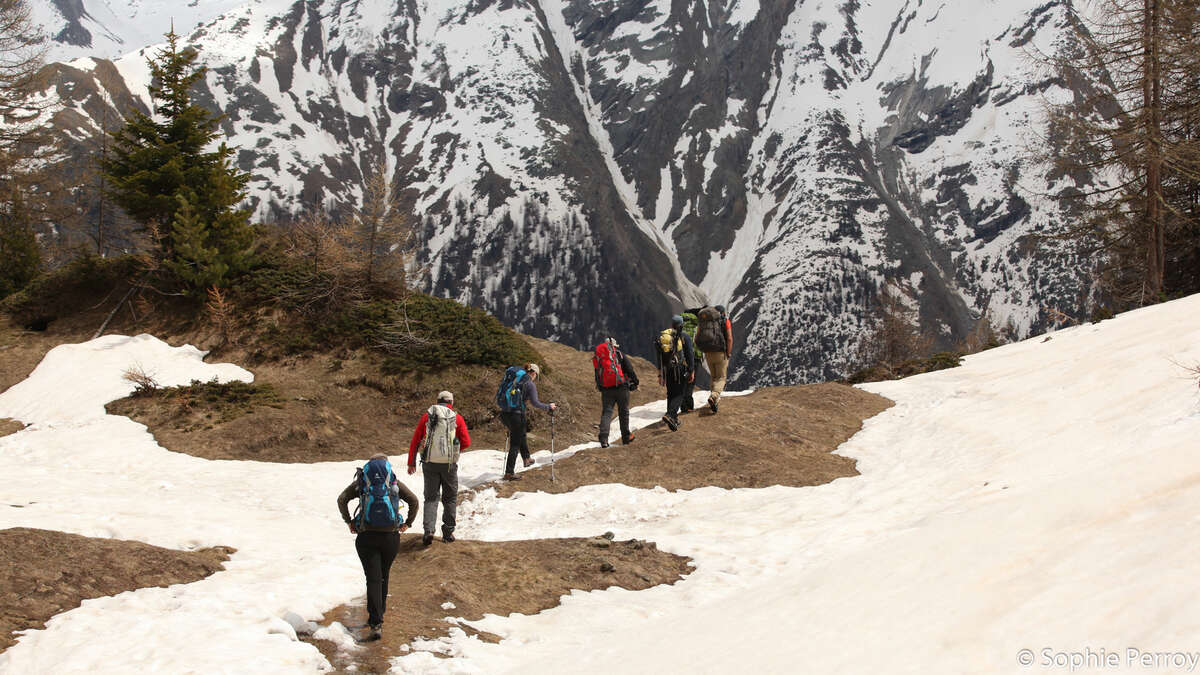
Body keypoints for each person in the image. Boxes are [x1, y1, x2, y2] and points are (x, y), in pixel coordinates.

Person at [336, 454, 419, 641]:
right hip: (390, 537)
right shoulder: (394, 483)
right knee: (384, 575)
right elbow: (414, 501)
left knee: (372, 579)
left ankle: (375, 622)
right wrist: (407, 524)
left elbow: (341, 499)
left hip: (366, 536)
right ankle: (380, 613)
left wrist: (349, 522)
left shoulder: (363, 482)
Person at [406, 391, 471, 546]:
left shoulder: (427, 416)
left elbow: (415, 440)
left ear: (437, 401)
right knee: (450, 498)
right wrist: (453, 451)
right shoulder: (457, 418)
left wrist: (411, 463)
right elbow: (466, 442)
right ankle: (448, 533)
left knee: (431, 498)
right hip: (449, 465)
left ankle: (429, 531)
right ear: (451, 402)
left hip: (429, 463)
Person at [497, 362, 557, 480]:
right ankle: (509, 472)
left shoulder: (513, 380)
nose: (535, 378)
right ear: (533, 373)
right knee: (515, 443)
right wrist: (549, 407)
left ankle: (526, 458)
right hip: (516, 414)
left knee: (521, 433)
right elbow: (535, 403)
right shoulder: (529, 384)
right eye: (536, 375)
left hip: (504, 413)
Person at [593, 337, 639, 448]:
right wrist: (635, 382)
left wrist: (601, 387)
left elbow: (597, 374)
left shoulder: (599, 358)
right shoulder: (619, 354)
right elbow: (629, 369)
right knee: (623, 412)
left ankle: (604, 439)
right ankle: (626, 438)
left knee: (607, 412)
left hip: (606, 389)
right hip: (622, 387)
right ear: (614, 346)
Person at [692, 304, 734, 413]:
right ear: (723, 313)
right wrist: (728, 353)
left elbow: (696, 338)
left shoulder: (706, 323)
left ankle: (713, 401)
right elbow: (729, 338)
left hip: (708, 352)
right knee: (721, 378)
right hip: (720, 353)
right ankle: (714, 396)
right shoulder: (725, 321)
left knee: (713, 376)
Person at [656, 315, 695, 431]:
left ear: (672, 325)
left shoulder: (664, 338)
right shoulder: (684, 337)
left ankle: (673, 419)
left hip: (667, 369)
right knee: (679, 394)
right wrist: (691, 370)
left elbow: (659, 357)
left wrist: (660, 374)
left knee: (671, 393)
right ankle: (670, 415)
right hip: (679, 368)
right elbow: (689, 355)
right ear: (681, 325)